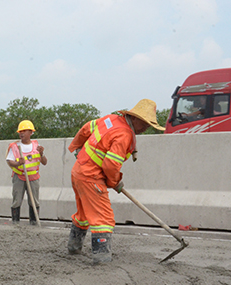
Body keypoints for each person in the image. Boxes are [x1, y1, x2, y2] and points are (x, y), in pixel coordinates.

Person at [67, 99, 164, 264]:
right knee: (103, 217)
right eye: (145, 124)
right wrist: (115, 181)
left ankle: (74, 247)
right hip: (91, 177)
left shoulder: (110, 119)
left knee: (83, 213)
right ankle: (101, 257)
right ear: (135, 118)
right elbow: (110, 165)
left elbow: (85, 129)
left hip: (78, 171)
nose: (146, 129)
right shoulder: (124, 135)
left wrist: (76, 147)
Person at [5, 120, 47, 224]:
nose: (21, 133)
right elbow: (10, 161)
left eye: (24, 131)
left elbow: (44, 162)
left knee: (34, 201)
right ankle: (16, 222)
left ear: (31, 132)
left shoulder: (37, 146)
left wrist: (41, 154)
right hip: (19, 177)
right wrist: (18, 163)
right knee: (17, 200)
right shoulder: (15, 147)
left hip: (33, 178)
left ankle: (33, 222)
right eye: (20, 131)